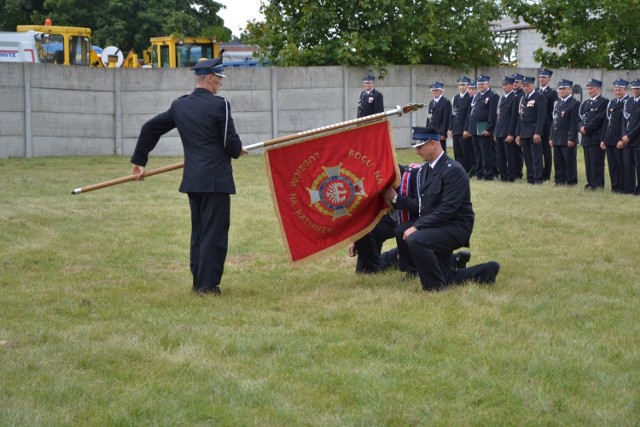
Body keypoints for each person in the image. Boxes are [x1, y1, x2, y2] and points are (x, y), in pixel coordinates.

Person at [130, 58, 247, 295]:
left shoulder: (179, 106)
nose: (221, 85)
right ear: (211, 78)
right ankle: (207, 286)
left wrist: (139, 161)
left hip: (194, 179)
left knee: (200, 232)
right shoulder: (220, 105)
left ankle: (198, 282)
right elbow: (229, 142)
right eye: (219, 79)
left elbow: (149, 128)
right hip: (216, 180)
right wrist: (237, 150)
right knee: (214, 234)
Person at [384, 127, 500, 292]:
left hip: (454, 227)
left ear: (433, 143)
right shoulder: (425, 170)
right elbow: (425, 205)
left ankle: (434, 287)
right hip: (438, 225)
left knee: (416, 239)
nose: (417, 152)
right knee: (403, 231)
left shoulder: (453, 170)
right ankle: (486, 271)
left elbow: (448, 209)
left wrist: (418, 226)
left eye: (420, 147)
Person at [515, 76, 547, 184]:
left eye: (528, 86)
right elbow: (520, 117)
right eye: (524, 86)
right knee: (527, 157)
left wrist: (538, 132)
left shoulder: (539, 97)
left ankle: (538, 179)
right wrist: (518, 134)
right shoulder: (523, 98)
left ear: (533, 85)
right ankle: (530, 178)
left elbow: (541, 116)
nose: (526, 88)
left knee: (536, 156)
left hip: (534, 131)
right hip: (524, 132)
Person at [466, 75, 499, 180]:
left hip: (484, 127)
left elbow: (492, 114)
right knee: (477, 152)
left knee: (486, 153)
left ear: (487, 84)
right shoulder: (477, 96)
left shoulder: (493, 95)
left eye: (482, 84)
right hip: (475, 128)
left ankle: (488, 174)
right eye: (479, 84)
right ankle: (479, 173)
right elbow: (473, 112)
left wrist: (489, 129)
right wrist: (470, 128)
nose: (480, 85)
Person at [578, 78, 608, 190]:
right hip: (586, 138)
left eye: (591, 89)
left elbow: (599, 118)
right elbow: (579, 117)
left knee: (597, 162)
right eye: (588, 89)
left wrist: (587, 128)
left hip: (596, 137)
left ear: (598, 89)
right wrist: (581, 127)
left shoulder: (603, 102)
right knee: (588, 163)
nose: (589, 91)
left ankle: (598, 184)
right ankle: (590, 183)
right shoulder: (586, 103)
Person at [549, 79, 580, 186]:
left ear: (570, 90)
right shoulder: (557, 103)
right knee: (558, 161)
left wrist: (571, 138)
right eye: (560, 89)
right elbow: (554, 121)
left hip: (567, 138)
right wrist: (551, 137)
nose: (561, 91)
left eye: (563, 89)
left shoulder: (574, 103)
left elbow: (574, 123)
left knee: (569, 161)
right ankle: (559, 180)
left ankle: (571, 181)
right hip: (557, 137)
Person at [600, 79, 629, 193]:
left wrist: (622, 139)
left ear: (625, 90)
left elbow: (625, 123)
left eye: (620, 90)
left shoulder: (627, 102)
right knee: (612, 165)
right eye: (616, 90)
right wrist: (603, 139)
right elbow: (607, 122)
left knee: (621, 165)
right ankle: (615, 186)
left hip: (619, 139)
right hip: (609, 139)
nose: (617, 92)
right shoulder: (612, 103)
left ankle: (622, 187)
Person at [494, 76, 519, 182]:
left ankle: (510, 176)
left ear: (512, 85)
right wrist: (495, 132)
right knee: (500, 156)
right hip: (499, 131)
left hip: (507, 131)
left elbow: (514, 117)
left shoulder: (515, 98)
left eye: (507, 85)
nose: (504, 87)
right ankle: (503, 175)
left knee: (509, 155)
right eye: (503, 85)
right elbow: (498, 116)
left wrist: (511, 133)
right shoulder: (502, 98)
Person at [449, 76, 474, 174]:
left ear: (468, 86)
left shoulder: (470, 98)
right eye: (460, 85)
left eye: (463, 85)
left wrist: (466, 129)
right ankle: (460, 170)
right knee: (457, 151)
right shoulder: (455, 98)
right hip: (456, 129)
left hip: (464, 129)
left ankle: (469, 170)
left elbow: (469, 115)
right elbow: (453, 114)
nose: (461, 87)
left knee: (466, 152)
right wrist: (451, 128)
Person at [538, 68, 558, 181]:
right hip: (536, 127)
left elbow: (554, 111)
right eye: (540, 77)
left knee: (546, 152)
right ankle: (538, 172)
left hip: (546, 126)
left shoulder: (552, 93)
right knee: (537, 152)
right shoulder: (536, 91)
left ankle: (546, 174)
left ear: (549, 79)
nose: (541, 79)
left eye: (544, 77)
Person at [620, 79, 640, 195]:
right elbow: (624, 119)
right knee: (628, 165)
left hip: (637, 139)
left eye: (638, 88)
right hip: (627, 139)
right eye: (634, 88)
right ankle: (629, 188)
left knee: (639, 166)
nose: (636, 90)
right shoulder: (628, 102)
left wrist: (629, 135)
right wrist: (624, 135)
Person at [426, 81, 452, 152]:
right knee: (431, 151)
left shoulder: (446, 102)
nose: (435, 92)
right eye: (433, 90)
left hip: (440, 132)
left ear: (441, 91)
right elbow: (429, 118)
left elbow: (446, 119)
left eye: (436, 90)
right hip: (431, 131)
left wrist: (443, 133)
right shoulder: (431, 103)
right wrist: (427, 131)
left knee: (440, 151)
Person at [511, 73, 526, 179]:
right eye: (513, 82)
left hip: (518, 125)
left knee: (517, 151)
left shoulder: (522, 95)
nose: (514, 84)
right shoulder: (512, 94)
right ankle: (513, 170)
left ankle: (518, 173)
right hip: (510, 126)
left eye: (517, 82)